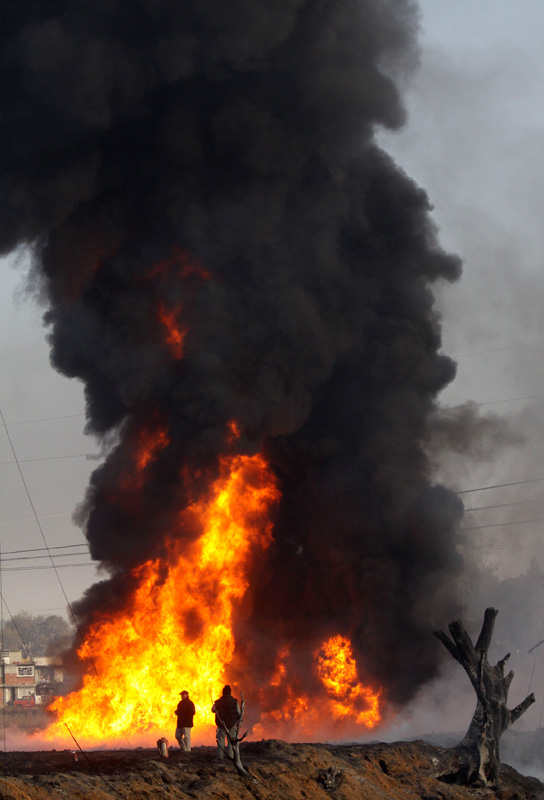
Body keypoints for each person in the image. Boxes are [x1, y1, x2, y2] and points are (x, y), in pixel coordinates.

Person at [211, 684, 240, 761]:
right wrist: (237, 722)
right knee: (231, 741)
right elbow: (239, 713)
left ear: (223, 692)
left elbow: (213, 710)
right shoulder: (234, 702)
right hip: (232, 725)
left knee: (221, 740)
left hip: (221, 724)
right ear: (230, 692)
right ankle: (231, 756)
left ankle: (220, 757)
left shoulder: (218, 702)